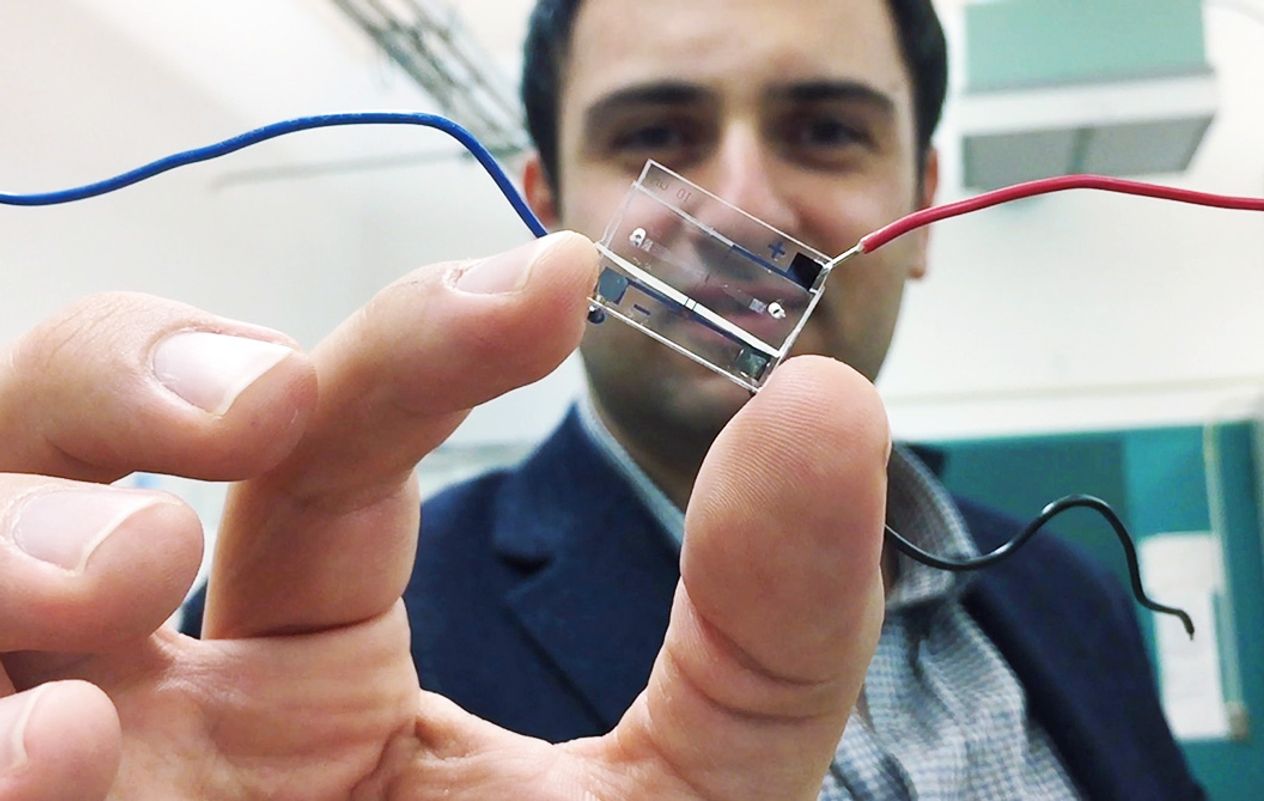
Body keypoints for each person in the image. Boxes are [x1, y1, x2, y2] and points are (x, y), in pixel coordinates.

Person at [0, 2, 1200, 801]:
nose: (735, 210)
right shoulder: (287, 658)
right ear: (542, 203)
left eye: (825, 129)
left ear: (926, 196)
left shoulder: (1064, 593)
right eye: (656, 134)